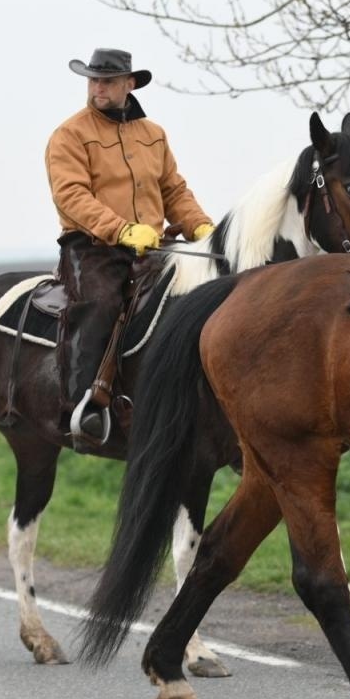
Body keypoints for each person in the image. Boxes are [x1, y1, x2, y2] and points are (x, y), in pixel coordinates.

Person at [46, 48, 215, 443]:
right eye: (93, 79)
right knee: (101, 304)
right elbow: (70, 194)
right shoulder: (70, 135)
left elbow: (173, 189)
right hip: (91, 248)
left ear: (129, 84)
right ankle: (83, 406)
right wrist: (121, 230)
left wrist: (201, 225)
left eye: (106, 80)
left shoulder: (153, 135)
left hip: (152, 247)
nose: (97, 87)